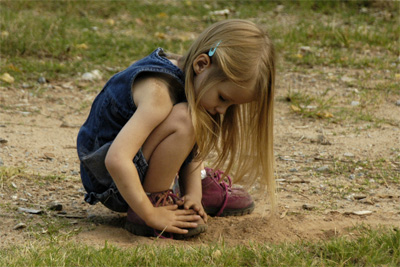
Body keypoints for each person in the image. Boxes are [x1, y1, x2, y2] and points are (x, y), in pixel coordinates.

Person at [77, 19, 276, 239]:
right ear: (201, 65)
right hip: (111, 181)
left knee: (192, 116)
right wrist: (150, 213)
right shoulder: (158, 94)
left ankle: (192, 188)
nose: (222, 110)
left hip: (130, 166)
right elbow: (116, 159)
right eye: (223, 98)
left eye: (231, 105)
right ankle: (155, 198)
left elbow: (192, 145)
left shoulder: (192, 75)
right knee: (186, 118)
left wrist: (193, 196)